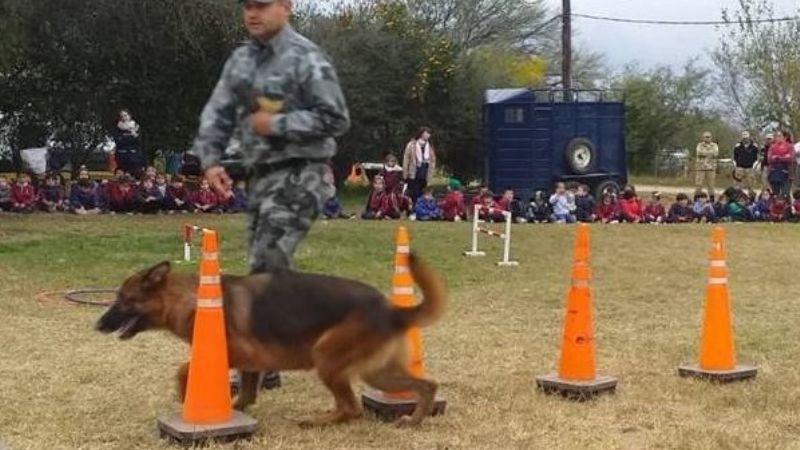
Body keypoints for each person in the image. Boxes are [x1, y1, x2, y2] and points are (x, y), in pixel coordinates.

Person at [192, 0, 350, 389]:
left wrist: (277, 122)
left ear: (286, 7)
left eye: (262, 4)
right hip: (261, 179)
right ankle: (277, 353)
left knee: (267, 263)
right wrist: (213, 161)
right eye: (246, 5)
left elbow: (336, 117)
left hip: (302, 175)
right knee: (266, 268)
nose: (252, 13)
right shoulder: (241, 61)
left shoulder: (307, 58)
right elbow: (218, 112)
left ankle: (264, 360)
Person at [402, 127, 437, 203]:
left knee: (423, 189)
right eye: (426, 133)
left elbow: (433, 160)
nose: (428, 135)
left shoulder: (430, 146)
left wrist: (431, 173)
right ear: (421, 134)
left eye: (429, 134)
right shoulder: (411, 145)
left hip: (425, 170)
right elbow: (406, 159)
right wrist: (405, 173)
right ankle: (413, 208)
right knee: (413, 190)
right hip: (414, 170)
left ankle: (420, 207)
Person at [111, 110, 145, 178]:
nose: (124, 118)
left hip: (134, 157)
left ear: (129, 116)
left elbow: (138, 141)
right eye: (122, 116)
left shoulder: (136, 127)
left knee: (136, 174)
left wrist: (130, 136)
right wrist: (130, 138)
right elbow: (118, 141)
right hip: (122, 157)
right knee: (122, 176)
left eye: (125, 115)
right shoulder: (117, 128)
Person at [768, 130, 794, 197]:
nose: (777, 138)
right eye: (776, 136)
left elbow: (790, 158)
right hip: (774, 172)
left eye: (779, 136)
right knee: (775, 194)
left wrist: (778, 157)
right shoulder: (772, 147)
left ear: (785, 137)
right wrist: (783, 157)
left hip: (786, 173)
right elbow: (770, 159)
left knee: (785, 194)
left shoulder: (789, 146)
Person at [695, 131, 719, 200]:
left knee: (711, 185)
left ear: (711, 138)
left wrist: (705, 153)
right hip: (701, 168)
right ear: (703, 138)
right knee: (699, 184)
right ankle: (696, 199)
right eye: (706, 137)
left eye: (708, 137)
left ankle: (712, 200)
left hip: (711, 168)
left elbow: (716, 153)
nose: (707, 138)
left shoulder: (714, 145)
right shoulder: (699, 145)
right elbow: (699, 153)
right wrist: (709, 153)